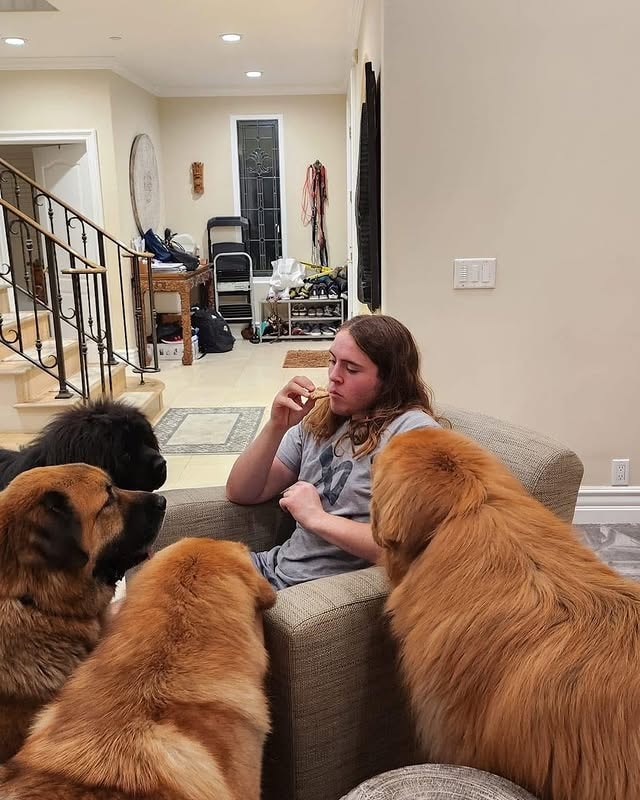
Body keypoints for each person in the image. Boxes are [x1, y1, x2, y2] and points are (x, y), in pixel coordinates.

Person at [225, 314, 446, 590]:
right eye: (332, 361)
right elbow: (242, 492)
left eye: (351, 369)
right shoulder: (322, 419)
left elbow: (406, 548)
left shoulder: (412, 433)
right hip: (270, 567)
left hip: (311, 589)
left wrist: (316, 518)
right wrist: (275, 426)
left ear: (389, 379)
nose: (333, 377)